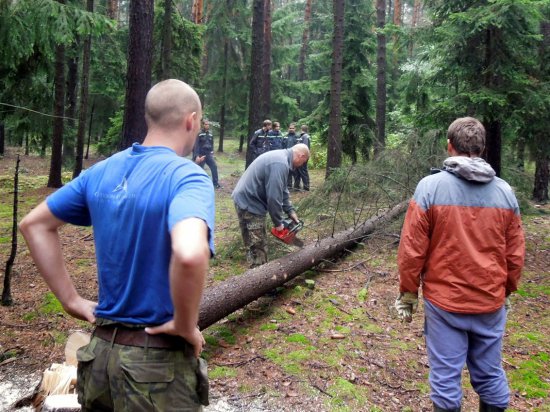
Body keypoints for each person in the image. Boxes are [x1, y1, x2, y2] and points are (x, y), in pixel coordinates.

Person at [19, 79, 215, 411]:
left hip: (98, 362)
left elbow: (33, 224)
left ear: (149, 118)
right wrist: (185, 325)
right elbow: (190, 252)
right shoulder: (187, 177)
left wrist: (72, 301)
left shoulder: (101, 172)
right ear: (191, 120)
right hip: (156, 370)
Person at [394, 117, 525, 412]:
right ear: (482, 148)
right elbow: (515, 254)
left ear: (449, 146)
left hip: (446, 303)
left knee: (445, 378)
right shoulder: (505, 192)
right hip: (489, 301)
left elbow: (412, 249)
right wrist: (507, 290)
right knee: (491, 374)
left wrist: (407, 293)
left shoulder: (430, 188)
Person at [232, 143, 310, 267]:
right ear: (301, 156)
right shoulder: (280, 164)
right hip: (250, 202)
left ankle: (253, 272)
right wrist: (279, 224)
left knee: (252, 242)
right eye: (303, 162)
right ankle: (258, 278)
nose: (300, 166)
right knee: (258, 245)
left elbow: (282, 189)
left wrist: (290, 211)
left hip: (245, 197)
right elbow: (274, 197)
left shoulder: (281, 158)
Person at [193, 119, 221, 189]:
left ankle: (215, 183)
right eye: (206, 124)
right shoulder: (199, 133)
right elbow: (196, 145)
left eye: (208, 124)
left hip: (208, 154)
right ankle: (198, 185)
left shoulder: (211, 134)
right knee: (200, 169)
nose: (207, 125)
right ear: (203, 125)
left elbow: (212, 143)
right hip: (201, 154)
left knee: (214, 167)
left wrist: (212, 151)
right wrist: (196, 156)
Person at [294, 124, 311, 191]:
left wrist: (303, 157)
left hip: (303, 157)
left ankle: (306, 187)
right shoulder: (302, 136)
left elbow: (304, 147)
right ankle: (296, 187)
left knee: (303, 171)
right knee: (297, 171)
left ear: (301, 129)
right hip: (300, 157)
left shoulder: (305, 137)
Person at [283, 123, 299, 189]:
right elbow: (282, 146)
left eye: (293, 128)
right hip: (287, 156)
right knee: (288, 171)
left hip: (295, 156)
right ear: (288, 129)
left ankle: (296, 186)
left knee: (296, 172)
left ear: (295, 129)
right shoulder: (285, 136)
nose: (291, 129)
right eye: (290, 128)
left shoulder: (298, 137)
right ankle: (289, 186)